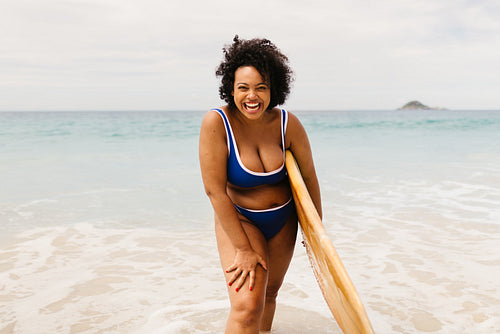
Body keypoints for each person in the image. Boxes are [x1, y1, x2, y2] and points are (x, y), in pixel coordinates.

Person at [199, 35, 322, 333]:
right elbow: (214, 191)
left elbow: (308, 178)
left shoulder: (286, 123)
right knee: (246, 307)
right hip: (240, 219)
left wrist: (317, 232)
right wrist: (242, 248)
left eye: (260, 87)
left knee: (268, 296)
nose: (251, 96)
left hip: (284, 219)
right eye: (243, 88)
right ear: (231, 88)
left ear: (273, 89)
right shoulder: (217, 123)